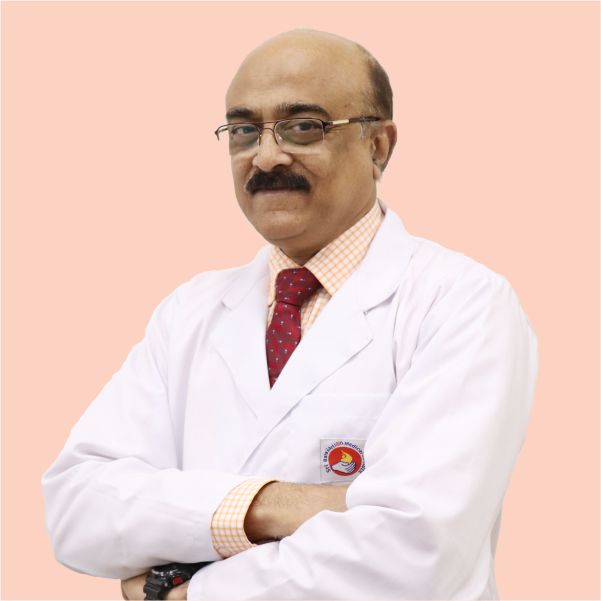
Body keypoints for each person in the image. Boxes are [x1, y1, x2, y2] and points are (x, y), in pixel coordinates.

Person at [42, 29, 539, 600]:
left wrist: (188, 593)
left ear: (379, 146)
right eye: (244, 130)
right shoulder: (188, 312)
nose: (266, 156)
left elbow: (414, 550)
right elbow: (78, 510)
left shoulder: (462, 303)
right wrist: (273, 505)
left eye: (304, 126)